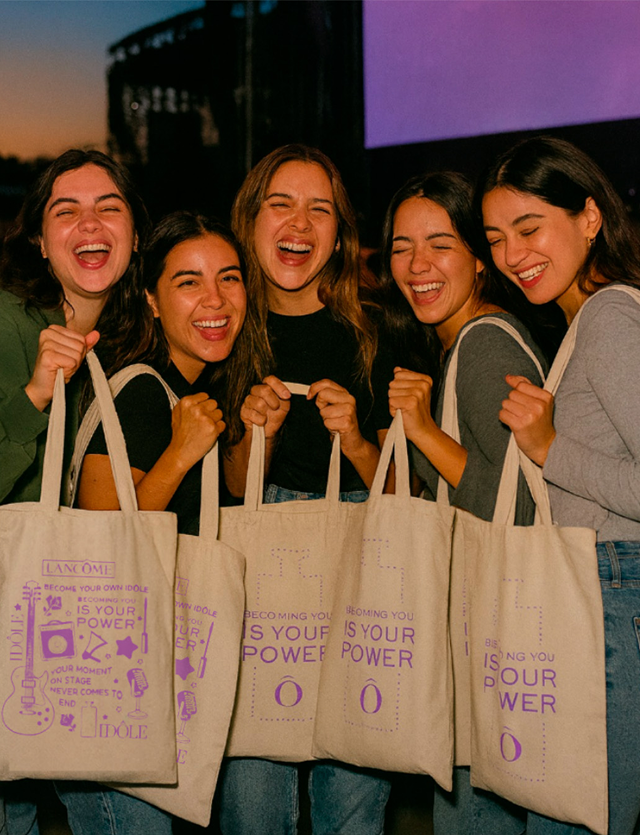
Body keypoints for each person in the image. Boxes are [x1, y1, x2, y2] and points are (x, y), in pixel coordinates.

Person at [220, 144, 394, 835]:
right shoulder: (223, 326)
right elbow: (231, 489)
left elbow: (403, 487)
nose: (299, 223)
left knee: (353, 804)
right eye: (280, 204)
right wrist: (251, 436)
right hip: (252, 571)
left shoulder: (376, 331)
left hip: (359, 566)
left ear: (340, 231)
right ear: (251, 219)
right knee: (251, 806)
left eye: (319, 208)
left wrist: (355, 439)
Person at [0, 149, 172, 834]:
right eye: (64, 210)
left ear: (134, 230)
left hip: (83, 626)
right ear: (39, 240)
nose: (89, 223)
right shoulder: (9, 321)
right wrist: (38, 390)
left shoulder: (135, 339)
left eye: (109, 207)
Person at [480, 135, 640, 835]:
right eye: (495, 237)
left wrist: (548, 449)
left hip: (611, 591)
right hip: (598, 594)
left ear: (589, 218)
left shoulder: (608, 318)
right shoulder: (586, 324)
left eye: (528, 227)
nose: (512, 255)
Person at [379, 171, 546, 835]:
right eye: (401, 246)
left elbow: (522, 504)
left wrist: (420, 430)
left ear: (480, 258)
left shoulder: (482, 346)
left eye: (439, 244)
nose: (417, 265)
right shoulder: (457, 345)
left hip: (503, 626)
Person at [77, 210, 251, 530]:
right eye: (189, 282)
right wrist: (179, 456)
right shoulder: (142, 393)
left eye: (229, 278)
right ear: (152, 301)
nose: (215, 300)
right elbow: (100, 538)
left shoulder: (205, 383)